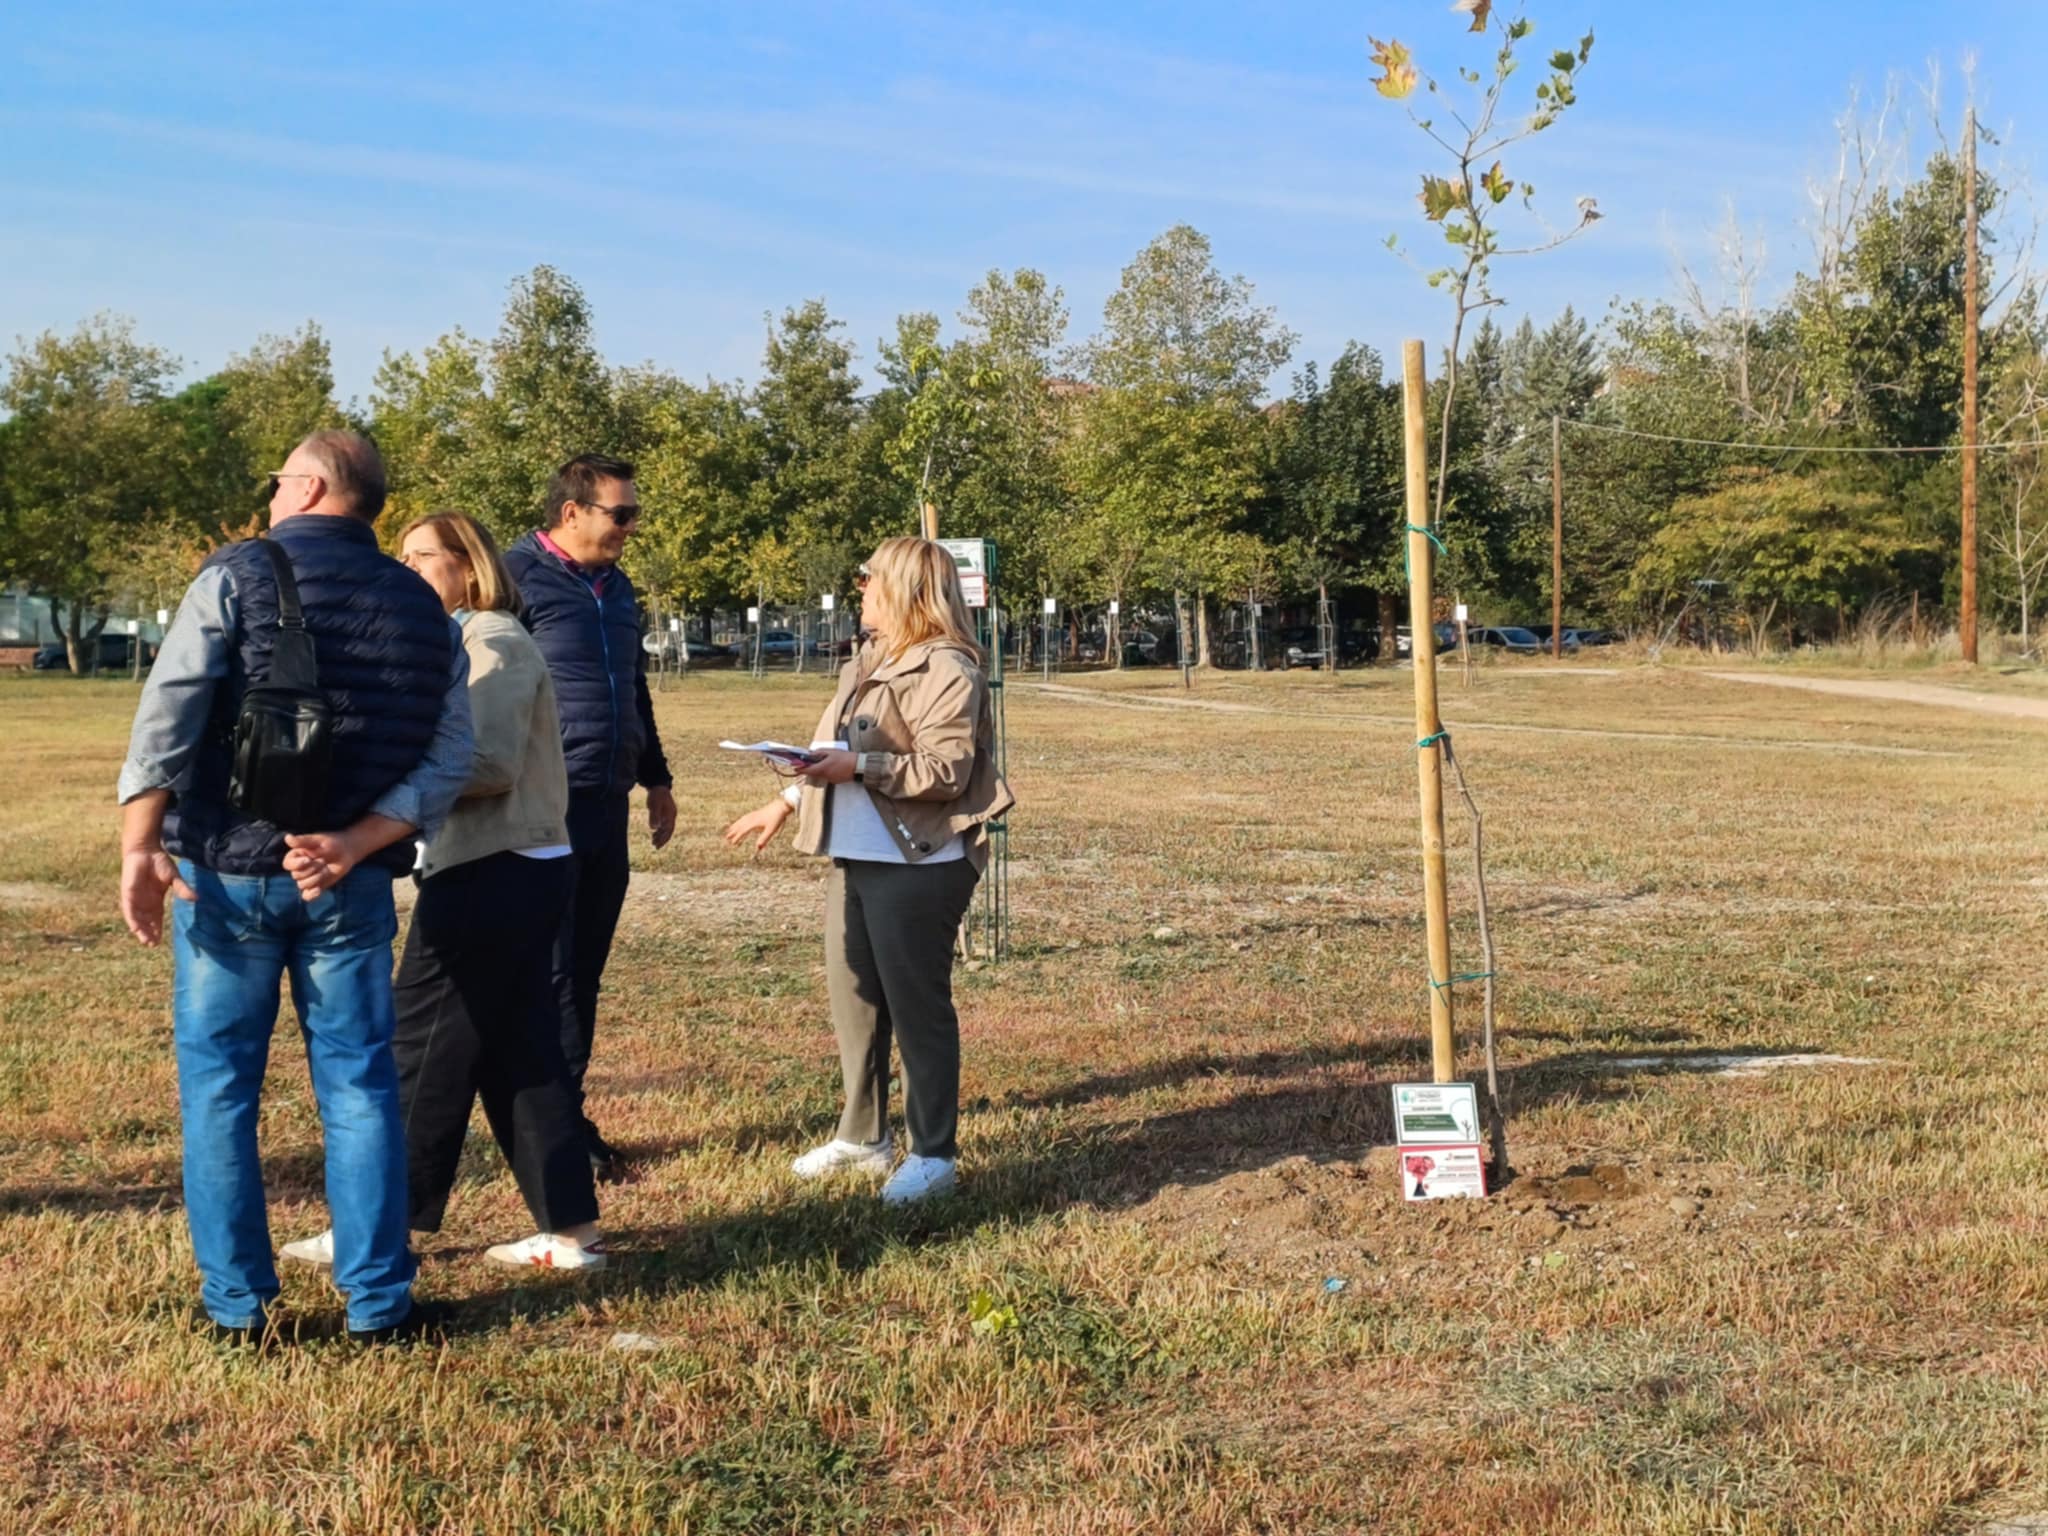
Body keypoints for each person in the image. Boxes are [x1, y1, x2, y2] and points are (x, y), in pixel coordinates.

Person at [116, 430, 473, 1344]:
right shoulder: (426, 605)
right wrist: (354, 841)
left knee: (221, 1089)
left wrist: (139, 845)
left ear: (309, 486)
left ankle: (238, 1309)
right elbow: (448, 758)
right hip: (345, 883)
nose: (271, 495)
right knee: (359, 1088)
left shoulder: (237, 574)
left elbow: (170, 711)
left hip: (225, 877)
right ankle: (380, 1306)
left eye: (278, 482)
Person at [280, 511, 606, 1273]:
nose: (408, 569)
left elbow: (485, 762)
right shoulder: (468, 637)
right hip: (515, 868)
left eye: (423, 557)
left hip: (493, 870)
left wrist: (383, 783)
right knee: (520, 1055)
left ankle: (376, 1231)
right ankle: (571, 1231)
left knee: (417, 1051)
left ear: (470, 566)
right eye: (402, 556)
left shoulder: (488, 638)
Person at [722, 537, 1014, 1205]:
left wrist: (856, 768)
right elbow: (836, 748)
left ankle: (934, 1155)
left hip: (920, 860)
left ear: (907, 590)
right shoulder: (870, 658)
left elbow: (946, 773)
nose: (860, 590)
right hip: (856, 854)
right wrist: (789, 794)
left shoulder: (948, 668)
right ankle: (863, 1138)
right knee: (855, 1001)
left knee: (917, 1008)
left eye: (869, 579)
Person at [504, 455, 676, 1183]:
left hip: (606, 805)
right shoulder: (514, 579)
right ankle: (548, 1133)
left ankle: (567, 1116)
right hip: (545, 809)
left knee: (583, 972)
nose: (631, 528)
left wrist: (657, 777)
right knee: (546, 973)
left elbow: (631, 683)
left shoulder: (616, 587)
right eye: (621, 514)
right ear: (570, 513)